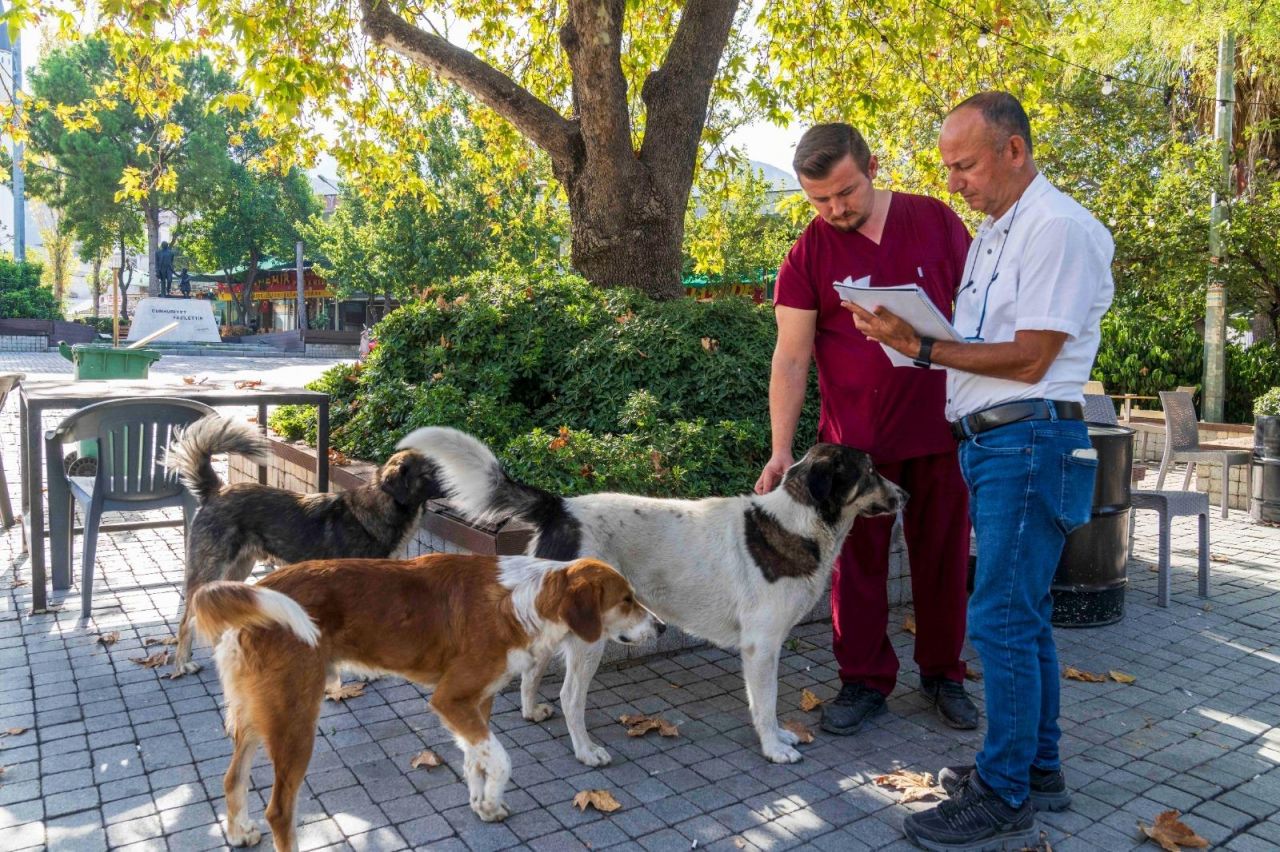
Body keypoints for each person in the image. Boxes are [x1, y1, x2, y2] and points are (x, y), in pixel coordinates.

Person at [845, 92, 1114, 850]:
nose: (954, 182)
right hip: (1001, 444)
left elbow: (1032, 356)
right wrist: (908, 333)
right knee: (1020, 620)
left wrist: (923, 348)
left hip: (1029, 444)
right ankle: (1038, 771)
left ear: (1015, 151)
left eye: (964, 165)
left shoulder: (1056, 228)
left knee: (996, 620)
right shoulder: (1000, 232)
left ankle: (1002, 793)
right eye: (947, 168)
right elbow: (989, 342)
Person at [754, 123, 978, 738]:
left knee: (943, 558)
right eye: (819, 200)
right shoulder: (808, 253)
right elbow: (791, 358)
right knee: (855, 567)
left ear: (871, 165)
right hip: (853, 451)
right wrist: (781, 450)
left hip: (941, 430)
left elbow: (982, 313)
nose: (835, 209)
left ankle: (945, 675)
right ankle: (862, 681)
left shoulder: (936, 221)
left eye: (845, 192)